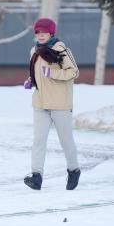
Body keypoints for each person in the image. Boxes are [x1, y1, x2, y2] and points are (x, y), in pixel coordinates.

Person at [22, 17, 81, 190]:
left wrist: (53, 73)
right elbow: (36, 74)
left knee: (66, 141)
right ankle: (36, 176)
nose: (40, 35)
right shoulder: (34, 51)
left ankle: (73, 170)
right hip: (40, 103)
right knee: (38, 141)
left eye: (44, 32)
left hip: (60, 103)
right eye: (37, 32)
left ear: (51, 33)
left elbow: (74, 72)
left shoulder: (61, 49)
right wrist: (31, 81)